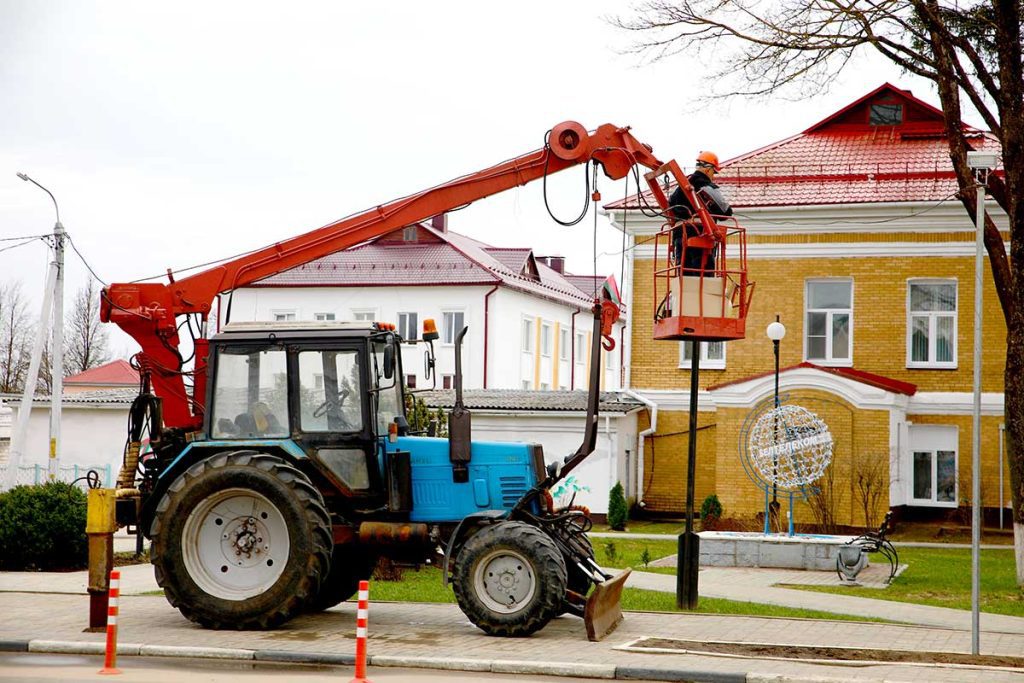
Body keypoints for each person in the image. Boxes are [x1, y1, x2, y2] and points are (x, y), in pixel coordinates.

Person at [668, 151, 733, 272]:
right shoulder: (706, 185)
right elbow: (726, 213)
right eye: (714, 172)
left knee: (684, 275)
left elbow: (671, 206)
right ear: (708, 169)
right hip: (700, 237)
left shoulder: (679, 189)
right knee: (704, 275)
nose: (713, 176)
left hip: (679, 237)